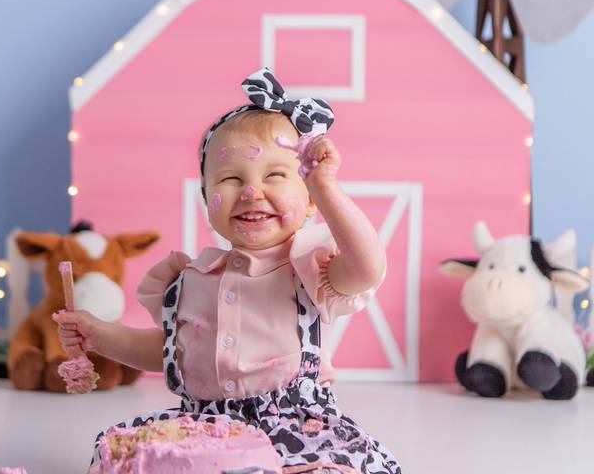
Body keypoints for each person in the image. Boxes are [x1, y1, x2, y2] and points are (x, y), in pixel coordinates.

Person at [54, 68, 401, 473]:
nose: (252, 191)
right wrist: (101, 336)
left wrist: (327, 188)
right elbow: (173, 353)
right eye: (231, 179)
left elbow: (367, 267)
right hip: (206, 427)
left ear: (308, 201)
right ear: (207, 200)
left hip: (295, 429)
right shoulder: (189, 280)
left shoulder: (312, 268)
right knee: (123, 454)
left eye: (275, 175)